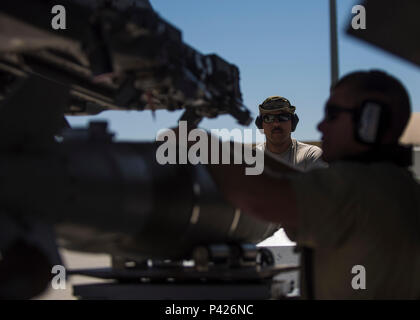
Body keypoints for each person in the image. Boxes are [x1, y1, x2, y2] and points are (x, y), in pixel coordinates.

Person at [206, 70, 420, 299]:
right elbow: (297, 180)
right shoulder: (391, 183)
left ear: (370, 120)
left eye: (333, 115)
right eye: (269, 118)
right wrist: (235, 153)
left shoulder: (357, 187)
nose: (321, 126)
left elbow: (258, 198)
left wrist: (202, 143)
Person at [254, 96, 326, 171]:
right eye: (268, 118)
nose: (276, 124)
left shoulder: (310, 155)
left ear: (293, 122)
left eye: (283, 117)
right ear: (260, 124)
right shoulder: (251, 159)